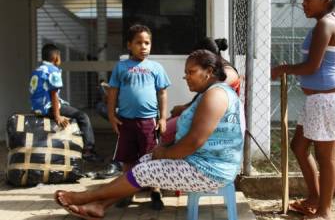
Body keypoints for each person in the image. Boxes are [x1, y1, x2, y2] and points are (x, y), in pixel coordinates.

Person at [54, 49, 245, 220]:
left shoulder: (216, 95)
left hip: (210, 171)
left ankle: (86, 197)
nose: (186, 77)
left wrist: (164, 153)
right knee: (145, 160)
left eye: (191, 72)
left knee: (144, 171)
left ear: (209, 72)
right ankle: (99, 205)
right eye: (186, 72)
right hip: (202, 162)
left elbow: (193, 142)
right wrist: (163, 151)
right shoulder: (210, 92)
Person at [271, 0, 335, 220]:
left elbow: (311, 66)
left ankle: (324, 212)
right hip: (319, 100)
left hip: (327, 99)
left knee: (326, 157)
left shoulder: (326, 24)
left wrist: (282, 68)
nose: (303, 3)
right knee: (298, 146)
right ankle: (314, 199)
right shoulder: (326, 21)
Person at [107, 24, 171, 209]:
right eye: (138, 43)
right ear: (129, 45)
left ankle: (155, 191)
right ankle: (128, 193)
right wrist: (112, 116)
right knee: (127, 159)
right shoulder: (121, 67)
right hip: (125, 121)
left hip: (148, 122)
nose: (143, 46)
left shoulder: (155, 67)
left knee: (150, 157)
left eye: (147, 43)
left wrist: (163, 118)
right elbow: (112, 92)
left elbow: (162, 93)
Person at [29, 44, 102, 162]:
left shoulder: (36, 71)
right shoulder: (53, 70)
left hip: (36, 108)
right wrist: (57, 115)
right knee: (82, 116)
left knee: (68, 108)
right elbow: (53, 94)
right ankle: (88, 150)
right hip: (48, 107)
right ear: (56, 57)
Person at [162, 37, 241, 145]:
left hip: (218, 122)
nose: (187, 76)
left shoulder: (227, 73)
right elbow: (202, 97)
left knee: (165, 133)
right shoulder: (215, 73)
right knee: (164, 127)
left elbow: (211, 98)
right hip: (201, 115)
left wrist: (184, 109)